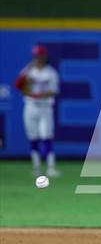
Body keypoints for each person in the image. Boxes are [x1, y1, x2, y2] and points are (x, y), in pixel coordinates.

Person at [15, 45, 61, 177]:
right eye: (36, 56)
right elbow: (18, 85)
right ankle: (37, 167)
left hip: (45, 108)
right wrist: (26, 75)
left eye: (40, 55)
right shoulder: (29, 70)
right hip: (30, 107)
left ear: (44, 57)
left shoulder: (50, 72)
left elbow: (54, 91)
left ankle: (51, 167)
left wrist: (40, 95)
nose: (38, 58)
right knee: (33, 137)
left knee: (47, 137)